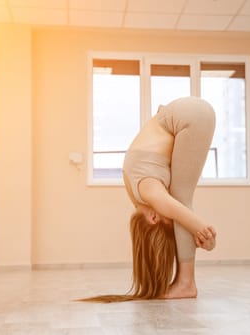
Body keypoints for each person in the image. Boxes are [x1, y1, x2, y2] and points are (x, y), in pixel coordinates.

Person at [80, 96, 217, 303]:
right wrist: (192, 232)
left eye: (169, 225)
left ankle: (186, 283)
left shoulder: (149, 193)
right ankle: (185, 282)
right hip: (186, 112)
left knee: (181, 199)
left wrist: (206, 237)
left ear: (153, 218)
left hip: (190, 117)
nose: (173, 222)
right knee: (179, 201)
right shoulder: (137, 191)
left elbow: (179, 209)